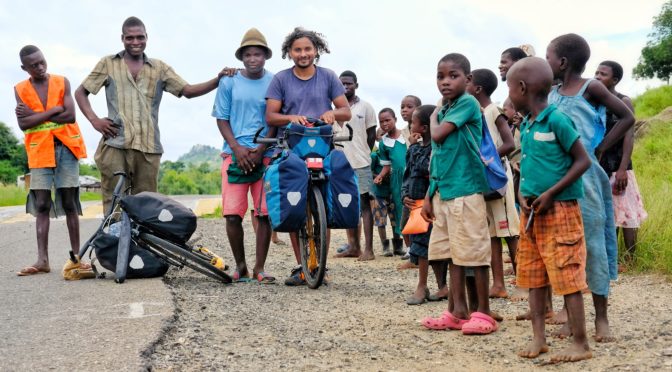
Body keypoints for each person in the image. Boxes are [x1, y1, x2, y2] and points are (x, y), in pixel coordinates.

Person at [75, 16, 227, 212]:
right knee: (114, 202)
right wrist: (94, 120)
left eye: (140, 37)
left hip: (148, 146)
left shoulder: (159, 68)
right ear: (122, 38)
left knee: (147, 205)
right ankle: (115, 241)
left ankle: (140, 243)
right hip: (115, 143)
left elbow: (187, 91)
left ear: (147, 37)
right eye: (130, 38)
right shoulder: (108, 63)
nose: (135, 42)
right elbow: (81, 92)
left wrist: (218, 79)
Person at [546, 33, 635, 342]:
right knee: (565, 247)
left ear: (563, 62)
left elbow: (626, 117)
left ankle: (602, 319)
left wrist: (599, 147)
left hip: (586, 178)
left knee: (593, 245)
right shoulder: (552, 92)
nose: (546, 64)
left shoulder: (591, 87)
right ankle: (572, 318)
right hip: (559, 180)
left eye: (548, 58)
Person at [507, 56, 593, 363]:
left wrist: (551, 193)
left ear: (521, 87)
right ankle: (539, 339)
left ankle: (581, 343)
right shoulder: (527, 124)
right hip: (531, 213)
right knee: (532, 276)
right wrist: (521, 193)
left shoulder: (557, 119)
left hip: (559, 211)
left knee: (568, 275)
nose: (509, 95)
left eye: (509, 89)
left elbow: (582, 161)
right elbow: (528, 167)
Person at [265, 27, 351, 286]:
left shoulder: (328, 77)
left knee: (323, 201)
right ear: (289, 52)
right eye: (297, 49)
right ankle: (304, 265)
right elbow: (271, 116)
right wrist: (292, 117)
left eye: (308, 49)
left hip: (323, 145)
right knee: (296, 205)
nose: (303, 54)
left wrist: (331, 114)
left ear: (317, 50)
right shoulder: (280, 79)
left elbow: (345, 110)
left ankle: (319, 262)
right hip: (292, 146)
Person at [420, 53, 497, 335]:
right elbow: (438, 156)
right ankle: (457, 311)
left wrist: (431, 116)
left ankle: (484, 313)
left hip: (467, 189)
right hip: (444, 190)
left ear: (468, 79)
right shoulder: (446, 107)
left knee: (474, 254)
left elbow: (438, 135)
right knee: (452, 253)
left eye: (453, 76)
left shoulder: (466, 103)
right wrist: (430, 194)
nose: (445, 82)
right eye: (440, 76)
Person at [14, 45, 91, 276]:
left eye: (42, 62)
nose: (40, 67)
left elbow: (70, 115)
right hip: (39, 152)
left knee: (69, 203)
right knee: (42, 205)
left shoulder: (62, 81)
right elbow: (23, 124)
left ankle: (76, 258)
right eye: (33, 65)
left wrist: (36, 116)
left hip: (66, 148)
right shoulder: (19, 89)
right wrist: (54, 109)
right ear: (24, 68)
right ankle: (42, 261)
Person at [212, 28, 276, 283]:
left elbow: (273, 118)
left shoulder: (274, 82)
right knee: (232, 214)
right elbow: (222, 118)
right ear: (241, 57)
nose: (253, 59)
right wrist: (237, 149)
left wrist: (260, 150)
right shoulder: (229, 81)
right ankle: (241, 266)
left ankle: (260, 268)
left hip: (265, 153)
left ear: (265, 56)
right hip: (233, 155)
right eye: (248, 54)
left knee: (263, 214)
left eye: (257, 54)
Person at [466, 68, 518, 299]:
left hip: (497, 175)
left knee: (510, 232)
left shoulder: (493, 111)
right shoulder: (475, 112)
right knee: (492, 233)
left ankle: (524, 280)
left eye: (467, 81)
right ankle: (498, 284)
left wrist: (487, 159)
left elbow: (509, 143)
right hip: (484, 176)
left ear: (477, 88)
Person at [594, 60, 647, 270]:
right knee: (609, 212)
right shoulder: (594, 102)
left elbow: (629, 136)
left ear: (614, 80)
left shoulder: (623, 100)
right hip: (600, 164)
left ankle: (630, 259)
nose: (597, 76)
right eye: (596, 72)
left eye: (603, 74)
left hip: (619, 164)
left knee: (626, 211)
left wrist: (623, 168)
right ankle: (612, 258)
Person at [402, 104, 446, 305]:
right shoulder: (415, 149)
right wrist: (404, 195)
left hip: (432, 204)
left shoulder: (435, 149)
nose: (410, 125)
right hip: (416, 205)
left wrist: (412, 147)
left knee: (430, 246)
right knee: (420, 244)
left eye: (413, 122)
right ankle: (430, 286)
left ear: (424, 128)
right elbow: (407, 174)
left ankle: (430, 286)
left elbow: (425, 169)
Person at [333, 70, 377, 261]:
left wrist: (361, 153)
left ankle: (369, 249)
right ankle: (353, 246)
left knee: (365, 205)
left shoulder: (366, 107)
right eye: (341, 83)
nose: (345, 87)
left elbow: (371, 135)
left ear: (356, 85)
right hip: (340, 163)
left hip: (361, 162)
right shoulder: (333, 109)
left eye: (349, 83)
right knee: (347, 204)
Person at [373, 108, 407, 258]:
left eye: (388, 120)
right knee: (399, 210)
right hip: (395, 181)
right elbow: (387, 165)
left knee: (409, 210)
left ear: (395, 119)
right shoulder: (383, 143)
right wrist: (380, 176)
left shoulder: (406, 136)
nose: (385, 123)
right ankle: (407, 247)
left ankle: (412, 248)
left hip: (409, 177)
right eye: (381, 121)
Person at [370, 128, 395, 256]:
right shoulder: (374, 156)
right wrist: (379, 176)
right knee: (381, 220)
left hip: (393, 191)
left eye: (387, 134)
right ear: (376, 138)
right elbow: (369, 172)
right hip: (378, 193)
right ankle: (385, 247)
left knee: (395, 219)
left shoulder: (393, 152)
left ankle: (398, 245)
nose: (384, 137)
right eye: (381, 135)